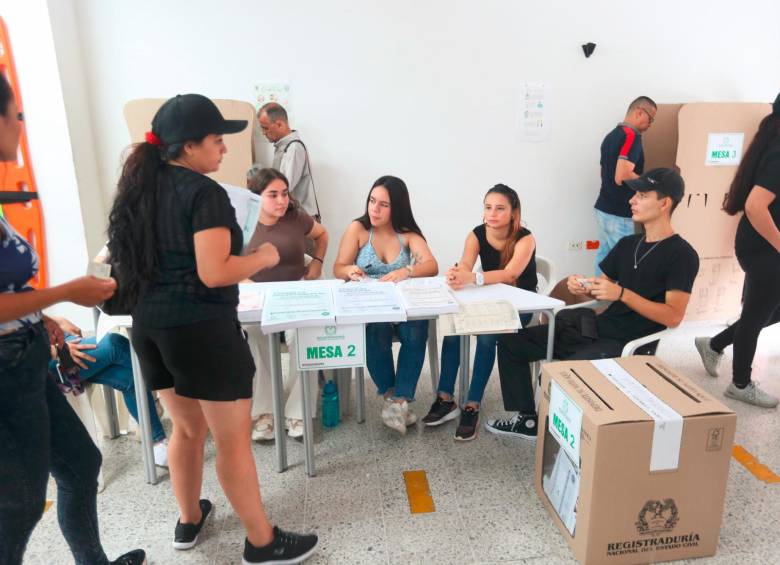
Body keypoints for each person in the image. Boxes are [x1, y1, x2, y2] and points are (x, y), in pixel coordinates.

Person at [106, 93, 317, 564]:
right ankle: (262, 541)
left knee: (185, 429)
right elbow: (215, 271)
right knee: (232, 441)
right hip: (201, 331)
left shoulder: (139, 189)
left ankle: (188, 519)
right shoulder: (204, 194)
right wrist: (263, 256)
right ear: (187, 146)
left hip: (151, 329)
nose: (223, 151)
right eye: (217, 141)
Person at [0, 74, 146, 565]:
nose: (21, 126)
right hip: (5, 374)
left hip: (26, 357)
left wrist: (40, 317)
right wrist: (66, 292)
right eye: (16, 115)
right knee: (17, 508)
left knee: (81, 466)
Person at [487, 168, 699, 440]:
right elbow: (602, 291)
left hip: (629, 342)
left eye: (642, 195)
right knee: (510, 342)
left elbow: (673, 317)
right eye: (634, 194)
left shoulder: (682, 255)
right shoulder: (627, 244)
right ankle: (527, 420)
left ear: (664, 203)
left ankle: (571, 438)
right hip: (597, 328)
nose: (632, 200)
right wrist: (580, 287)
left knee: (558, 377)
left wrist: (621, 294)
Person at [422, 184, 537, 441]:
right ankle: (445, 399)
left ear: (513, 212)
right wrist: (457, 275)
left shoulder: (525, 237)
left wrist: (473, 277)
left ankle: (472, 404)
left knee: (486, 338)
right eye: (488, 208)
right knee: (453, 330)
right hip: (489, 301)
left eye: (500, 208)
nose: (492, 214)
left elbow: (511, 274)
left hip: (521, 305)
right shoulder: (476, 233)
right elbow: (465, 263)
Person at [333, 175, 438, 433]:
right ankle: (394, 398)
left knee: (417, 328)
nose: (374, 209)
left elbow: (432, 265)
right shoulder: (358, 229)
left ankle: (399, 400)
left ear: (397, 208)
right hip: (372, 307)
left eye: (383, 205)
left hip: (402, 308)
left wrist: (408, 271)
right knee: (375, 329)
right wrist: (350, 271)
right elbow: (338, 267)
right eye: (372, 201)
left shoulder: (407, 235)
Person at [695, 94, 780, 408]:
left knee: (769, 313)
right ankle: (740, 384)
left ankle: (714, 344)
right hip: (765, 249)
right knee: (757, 315)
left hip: (762, 245)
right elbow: (756, 206)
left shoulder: (771, 141)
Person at [242, 167, 329, 440]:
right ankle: (266, 412)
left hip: (295, 295)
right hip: (258, 300)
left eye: (284, 193)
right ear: (256, 197)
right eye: (273, 195)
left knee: (302, 337)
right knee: (256, 339)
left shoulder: (296, 217)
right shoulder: (242, 222)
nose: (281, 201)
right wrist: (247, 282)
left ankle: (298, 413)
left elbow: (322, 235)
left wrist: (317, 262)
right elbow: (228, 261)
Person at [47, 317, 169, 466]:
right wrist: (56, 352)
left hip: (53, 340)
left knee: (130, 378)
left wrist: (54, 320)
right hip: (42, 362)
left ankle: (157, 444)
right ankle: (169, 389)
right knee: (115, 344)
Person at [593, 96, 657, 275]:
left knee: (604, 258)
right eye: (651, 119)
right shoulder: (632, 137)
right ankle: (621, 301)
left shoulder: (610, 136)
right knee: (626, 263)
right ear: (639, 112)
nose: (651, 124)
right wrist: (649, 185)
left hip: (603, 208)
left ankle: (599, 301)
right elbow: (621, 176)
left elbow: (602, 173)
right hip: (619, 213)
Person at [257, 102, 320, 219]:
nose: (263, 132)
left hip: (302, 219)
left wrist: (259, 187)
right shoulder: (282, 147)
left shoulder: (293, 148)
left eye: (265, 128)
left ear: (280, 124)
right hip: (293, 216)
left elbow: (284, 186)